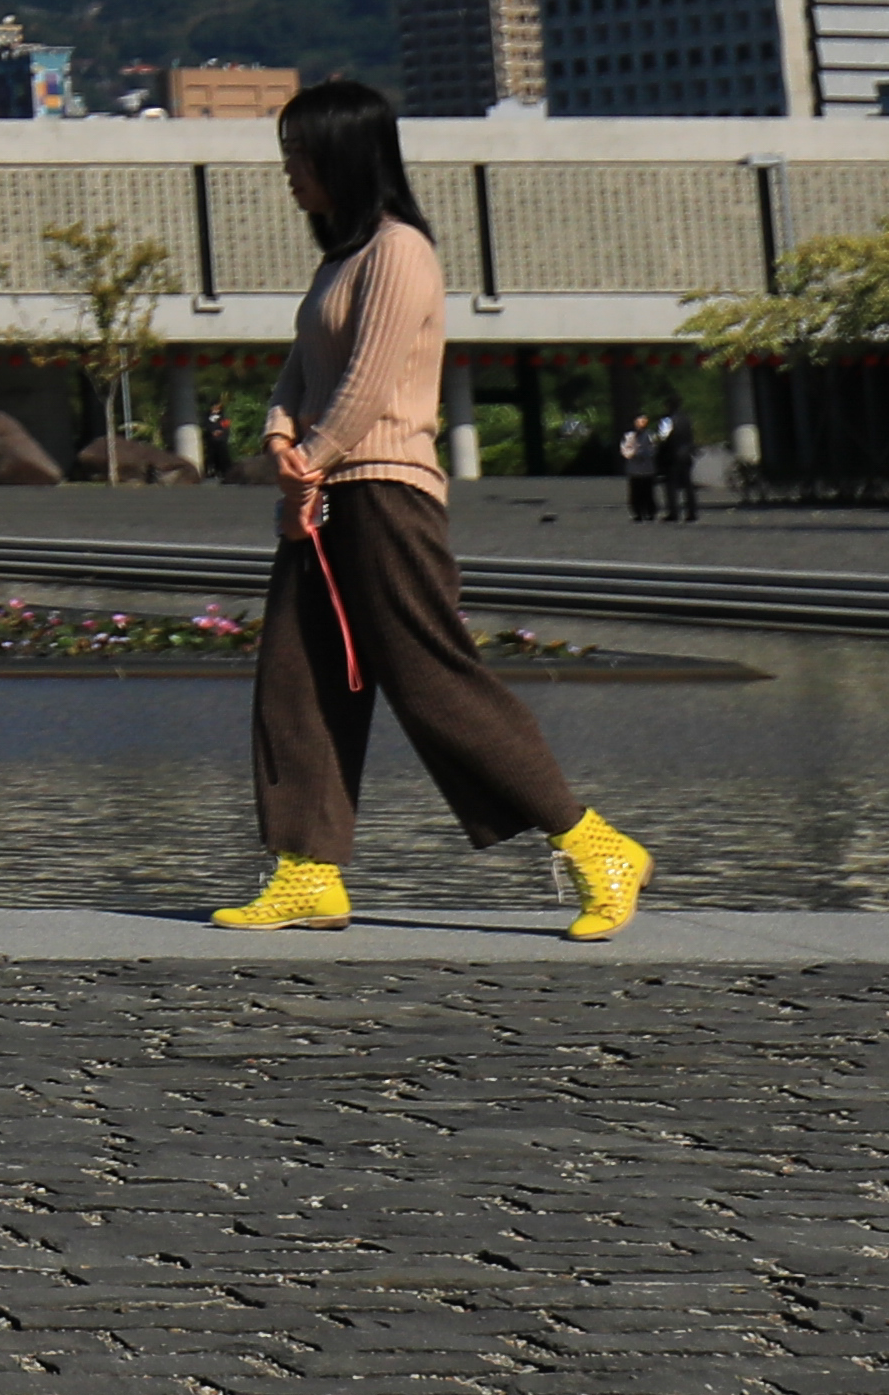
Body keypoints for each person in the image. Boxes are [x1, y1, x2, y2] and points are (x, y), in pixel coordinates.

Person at [222, 75, 654, 936]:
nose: (289, 172)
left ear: (346, 156)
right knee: (299, 680)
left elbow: (367, 383)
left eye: (301, 155)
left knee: (431, 678)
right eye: (286, 155)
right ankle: (307, 869)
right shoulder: (339, 260)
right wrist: (278, 440)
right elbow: (299, 375)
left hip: (383, 491)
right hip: (321, 497)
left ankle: (595, 844)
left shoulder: (400, 251)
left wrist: (308, 462)